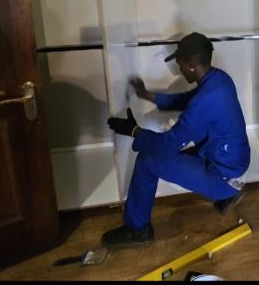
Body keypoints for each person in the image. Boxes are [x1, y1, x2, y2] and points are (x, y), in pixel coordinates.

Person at [103, 32, 251, 248]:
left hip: (223, 176)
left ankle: (137, 230)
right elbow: (186, 100)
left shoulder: (204, 101)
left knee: (148, 160)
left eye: (179, 63)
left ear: (191, 65)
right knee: (193, 136)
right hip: (234, 162)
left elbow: (166, 146)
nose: (178, 69)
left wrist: (134, 131)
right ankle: (227, 196)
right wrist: (146, 94)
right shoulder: (220, 80)